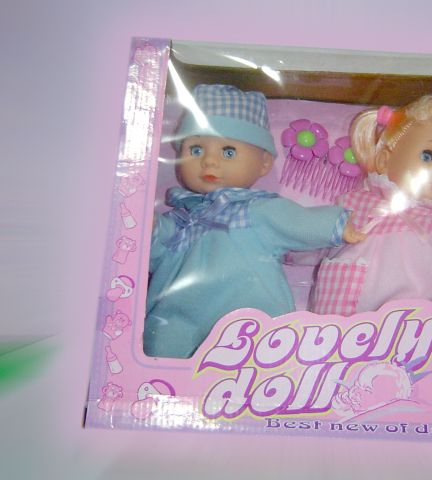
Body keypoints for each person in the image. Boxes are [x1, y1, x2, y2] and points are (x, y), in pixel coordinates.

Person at [144, 84, 363, 359]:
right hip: (177, 313)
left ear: (263, 163)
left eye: (228, 152)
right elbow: (156, 250)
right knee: (162, 345)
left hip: (245, 314)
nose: (209, 162)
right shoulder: (180, 219)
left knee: (251, 356)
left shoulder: (255, 211)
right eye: (196, 149)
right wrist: (148, 228)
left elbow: (296, 221)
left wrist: (337, 225)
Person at [309, 93, 432, 369]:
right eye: (428, 155)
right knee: (326, 370)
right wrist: (287, 243)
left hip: (416, 327)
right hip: (342, 329)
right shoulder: (355, 204)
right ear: (384, 160)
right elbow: (315, 236)